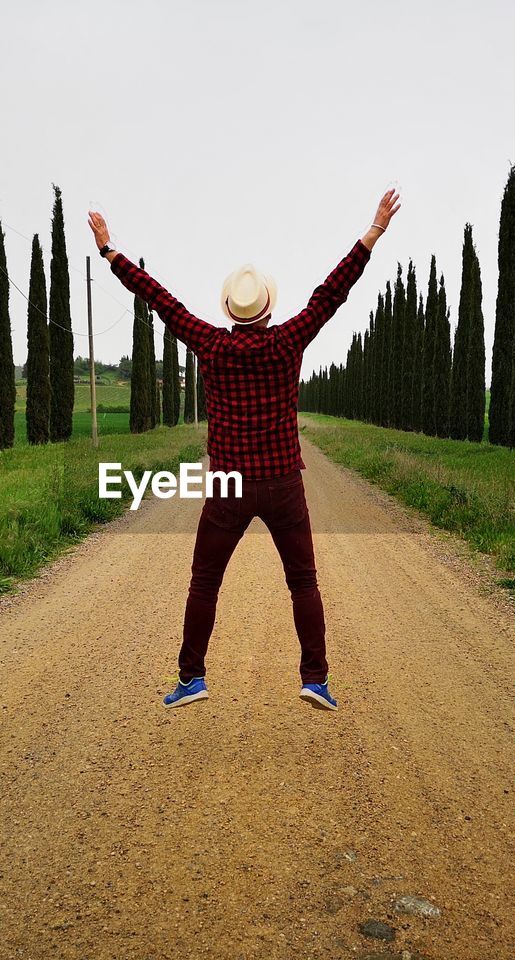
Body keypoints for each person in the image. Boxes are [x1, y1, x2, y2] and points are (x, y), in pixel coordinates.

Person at [88, 189, 401, 711]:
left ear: (231, 311)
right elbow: (332, 293)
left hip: (228, 486)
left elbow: (163, 302)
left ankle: (192, 678)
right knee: (303, 580)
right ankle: (315, 678)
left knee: (205, 582)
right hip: (283, 484)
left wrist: (112, 253)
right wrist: (372, 234)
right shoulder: (288, 341)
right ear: (269, 308)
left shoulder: (210, 343)